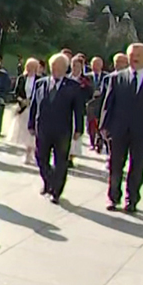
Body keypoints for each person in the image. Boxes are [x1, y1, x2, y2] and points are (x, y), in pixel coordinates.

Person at [99, 42, 143, 213]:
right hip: (118, 130)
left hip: (142, 131)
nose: (135, 58)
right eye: (131, 55)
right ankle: (113, 197)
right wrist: (104, 126)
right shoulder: (116, 78)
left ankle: (132, 200)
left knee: (137, 167)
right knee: (115, 165)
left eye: (138, 55)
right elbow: (108, 104)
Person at [28, 52, 84, 204]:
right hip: (43, 128)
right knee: (41, 158)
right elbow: (34, 105)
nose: (55, 70)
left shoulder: (73, 86)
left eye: (59, 67)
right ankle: (49, 182)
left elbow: (79, 110)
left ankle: (56, 191)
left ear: (65, 68)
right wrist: (31, 124)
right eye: (53, 67)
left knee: (61, 161)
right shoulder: (41, 83)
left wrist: (79, 129)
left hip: (62, 130)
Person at [9, 58, 40, 165]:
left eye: (33, 67)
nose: (30, 69)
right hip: (23, 108)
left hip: (34, 109)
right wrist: (22, 100)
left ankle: (30, 153)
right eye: (29, 66)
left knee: (32, 132)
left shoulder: (40, 80)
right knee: (24, 132)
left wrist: (32, 101)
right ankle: (27, 152)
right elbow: (16, 93)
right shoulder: (21, 78)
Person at [66, 54, 92, 166]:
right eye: (73, 65)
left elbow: (90, 94)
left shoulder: (85, 80)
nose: (75, 68)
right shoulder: (66, 78)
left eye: (77, 66)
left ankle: (72, 157)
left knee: (76, 133)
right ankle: (65, 154)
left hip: (79, 110)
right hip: (66, 109)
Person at [86, 56, 106, 152]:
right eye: (94, 64)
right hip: (90, 104)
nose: (95, 66)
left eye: (98, 64)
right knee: (90, 126)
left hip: (101, 104)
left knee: (100, 124)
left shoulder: (106, 77)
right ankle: (92, 142)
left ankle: (100, 142)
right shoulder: (86, 77)